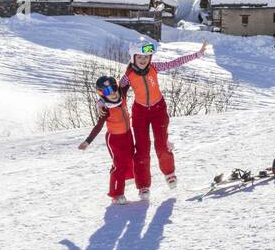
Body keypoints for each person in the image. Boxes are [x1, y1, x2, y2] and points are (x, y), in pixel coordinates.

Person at [122, 39, 207, 199]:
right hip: (140, 112)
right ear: (133, 57)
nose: (143, 60)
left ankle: (169, 173)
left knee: (161, 144)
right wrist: (102, 101)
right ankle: (143, 186)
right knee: (142, 150)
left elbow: (174, 62)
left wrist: (197, 54)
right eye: (139, 57)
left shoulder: (155, 67)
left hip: (158, 109)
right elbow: (117, 92)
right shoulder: (128, 75)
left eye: (146, 57)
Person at [78, 75, 134, 204]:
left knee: (130, 158)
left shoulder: (122, 94)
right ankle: (117, 194)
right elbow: (98, 126)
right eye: (107, 91)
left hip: (128, 134)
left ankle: (127, 178)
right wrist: (87, 141)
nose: (113, 93)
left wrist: (134, 59)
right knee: (118, 165)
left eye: (114, 88)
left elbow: (128, 76)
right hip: (114, 139)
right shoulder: (105, 108)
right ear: (101, 94)